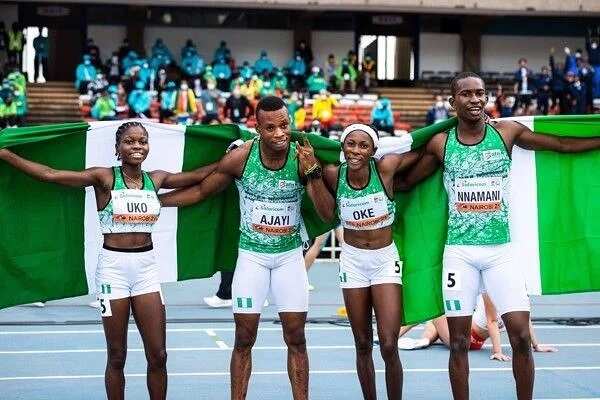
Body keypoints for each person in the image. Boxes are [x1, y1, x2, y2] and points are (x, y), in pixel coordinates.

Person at [398, 72, 600, 400]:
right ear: (453, 102)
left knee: (520, 337)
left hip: (500, 253)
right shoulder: (441, 143)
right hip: (459, 255)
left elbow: (562, 145)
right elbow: (406, 182)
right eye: (466, 94)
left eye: (480, 93)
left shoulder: (506, 133)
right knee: (460, 343)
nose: (475, 99)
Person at [0, 121, 218, 400]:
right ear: (117, 149)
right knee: (117, 356)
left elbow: (199, 176)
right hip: (113, 271)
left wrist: (236, 155)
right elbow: (51, 174)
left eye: (142, 141)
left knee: (159, 355)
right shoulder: (104, 178)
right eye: (129, 141)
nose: (137, 146)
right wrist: (6, 154)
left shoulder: (158, 179)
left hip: (147, 270)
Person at [159, 96, 326, 400]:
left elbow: (327, 214)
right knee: (244, 338)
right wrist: (155, 201)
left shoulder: (301, 156)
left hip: (289, 258)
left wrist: (312, 171)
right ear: (257, 128)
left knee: (297, 338)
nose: (280, 133)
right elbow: (200, 190)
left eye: (284, 125)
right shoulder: (241, 159)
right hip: (252, 258)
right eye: (271, 128)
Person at [304, 123, 420, 400]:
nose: (356, 150)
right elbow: (325, 214)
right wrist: (314, 176)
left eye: (363, 145)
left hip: (384, 260)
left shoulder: (387, 168)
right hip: (353, 262)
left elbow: (427, 151)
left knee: (389, 344)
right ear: (342, 147)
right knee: (363, 343)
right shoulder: (334, 174)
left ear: (374, 150)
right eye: (350, 144)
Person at [398, 294, 559, 357]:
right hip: (473, 340)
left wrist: (497, 352)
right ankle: (426, 339)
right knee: (438, 319)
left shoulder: (493, 292)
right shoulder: (504, 293)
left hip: (463, 338)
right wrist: (536, 345)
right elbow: (526, 321)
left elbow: (492, 322)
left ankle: (393, 335)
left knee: (431, 307)